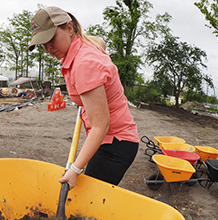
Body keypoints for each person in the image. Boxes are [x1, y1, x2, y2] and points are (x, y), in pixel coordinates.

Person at [29, 6, 139, 189]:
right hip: (112, 138)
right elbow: (100, 41)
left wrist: (74, 169)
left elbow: (100, 125)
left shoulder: (84, 64)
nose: (48, 48)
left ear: (70, 28)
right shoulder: (82, 44)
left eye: (51, 39)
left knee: (91, 200)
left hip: (115, 142)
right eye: (43, 43)